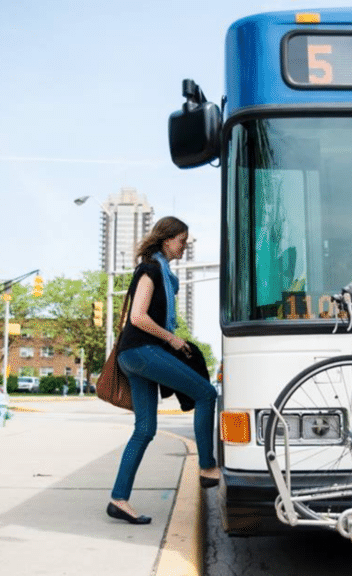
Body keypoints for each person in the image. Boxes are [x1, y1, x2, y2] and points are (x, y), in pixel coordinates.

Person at [107, 216, 219, 525]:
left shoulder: (165, 275)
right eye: (182, 240)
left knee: (145, 430)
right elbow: (138, 317)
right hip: (141, 351)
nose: (184, 246)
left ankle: (118, 500)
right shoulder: (151, 269)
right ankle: (208, 468)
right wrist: (171, 338)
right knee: (207, 394)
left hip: (136, 354)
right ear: (167, 239)